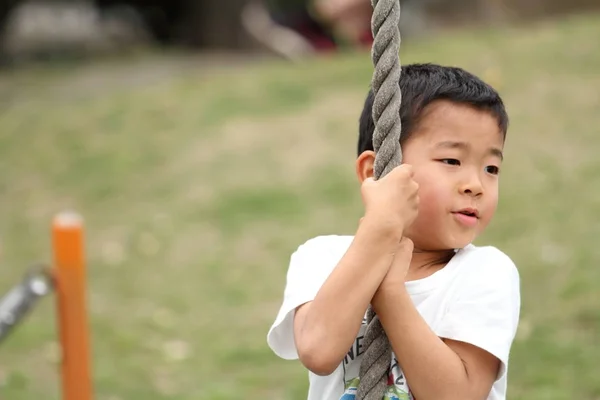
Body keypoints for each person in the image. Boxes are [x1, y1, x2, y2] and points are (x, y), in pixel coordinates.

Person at [266, 63, 521, 400]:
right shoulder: (321, 256)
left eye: (491, 168)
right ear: (376, 172)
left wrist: (390, 291)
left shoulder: (486, 273)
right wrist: (379, 235)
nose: (475, 185)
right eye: (451, 161)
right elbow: (318, 350)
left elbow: (458, 394)